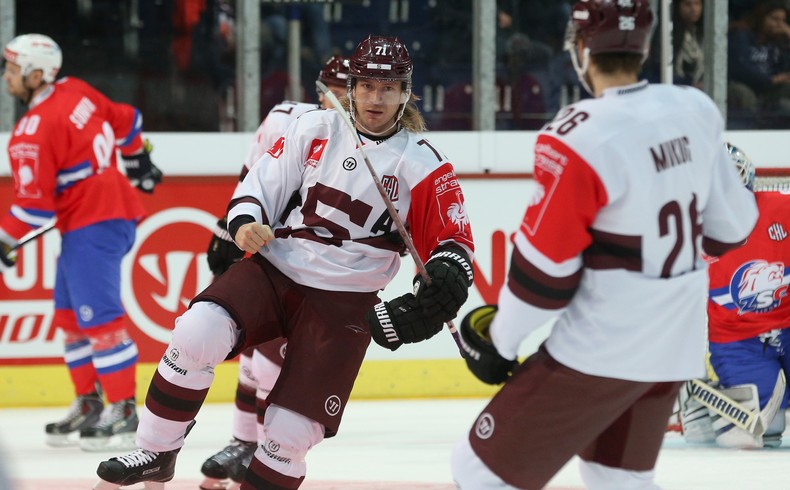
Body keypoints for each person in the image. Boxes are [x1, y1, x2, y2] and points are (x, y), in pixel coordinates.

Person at [94, 35, 474, 490]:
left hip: (344, 300)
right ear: (351, 87)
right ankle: (156, 453)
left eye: (387, 87)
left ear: (405, 93)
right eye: (367, 85)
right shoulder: (312, 128)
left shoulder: (425, 163)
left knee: (289, 435)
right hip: (277, 270)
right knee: (197, 330)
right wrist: (246, 221)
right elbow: (260, 185)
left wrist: (441, 286)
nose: (376, 97)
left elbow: (455, 245)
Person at [450, 1, 758, 489]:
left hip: (605, 346)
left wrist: (501, 343)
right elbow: (732, 227)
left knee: (478, 469)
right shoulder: (694, 108)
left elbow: (544, 276)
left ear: (580, 49)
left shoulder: (578, 134)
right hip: (675, 344)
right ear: (645, 45)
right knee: (616, 478)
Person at [0, 34, 161, 452]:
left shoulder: (30, 131)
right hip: (98, 216)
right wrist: (137, 160)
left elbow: (33, 209)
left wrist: (4, 240)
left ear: (38, 73)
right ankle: (90, 401)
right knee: (71, 318)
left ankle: (123, 408)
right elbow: (128, 119)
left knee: (100, 320)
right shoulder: (76, 90)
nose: (7, 77)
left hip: (94, 221)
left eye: (13, 70)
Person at [198, 55, 350, 490]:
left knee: (270, 367)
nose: (338, 104)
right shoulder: (285, 118)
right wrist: (225, 231)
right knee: (251, 356)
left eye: (346, 95)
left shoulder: (365, 144)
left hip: (313, 269)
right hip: (269, 253)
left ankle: (267, 453)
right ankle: (243, 442)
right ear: (320, 91)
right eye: (333, 95)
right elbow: (253, 180)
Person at [680, 143, 790, 449]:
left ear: (747, 177)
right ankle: (716, 404)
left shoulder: (788, 209)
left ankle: (716, 406)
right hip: (737, 341)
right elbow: (673, 304)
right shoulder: (686, 235)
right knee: (758, 430)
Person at [727, 0, 790, 112]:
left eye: (783, 21)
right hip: (747, 85)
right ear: (761, 18)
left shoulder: (781, 40)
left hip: (770, 89)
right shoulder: (741, 34)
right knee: (743, 93)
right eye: (774, 19)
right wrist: (770, 80)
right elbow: (741, 68)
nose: (780, 25)